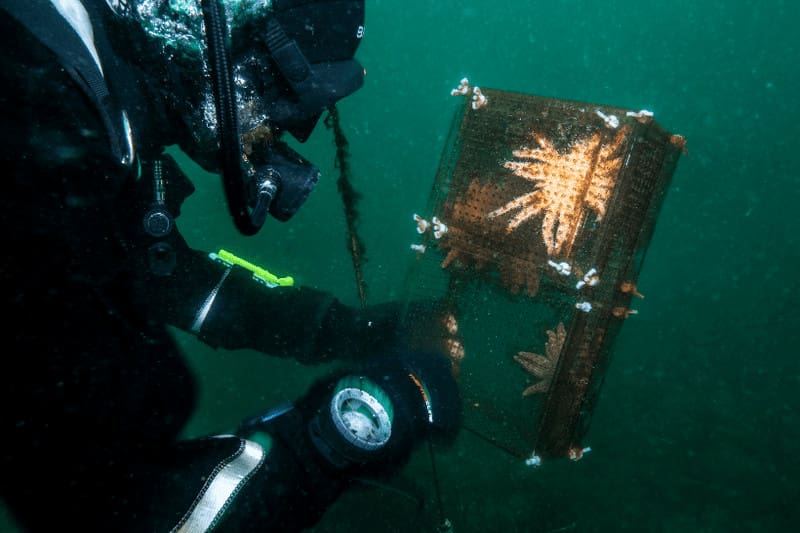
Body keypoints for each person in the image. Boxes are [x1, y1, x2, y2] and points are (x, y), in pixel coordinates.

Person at [0, 0, 462, 531]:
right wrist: (343, 436)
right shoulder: (42, 107)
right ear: (232, 42)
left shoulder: (79, 77)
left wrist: (351, 330)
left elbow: (171, 282)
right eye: (282, 95)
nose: (276, 130)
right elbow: (110, 508)